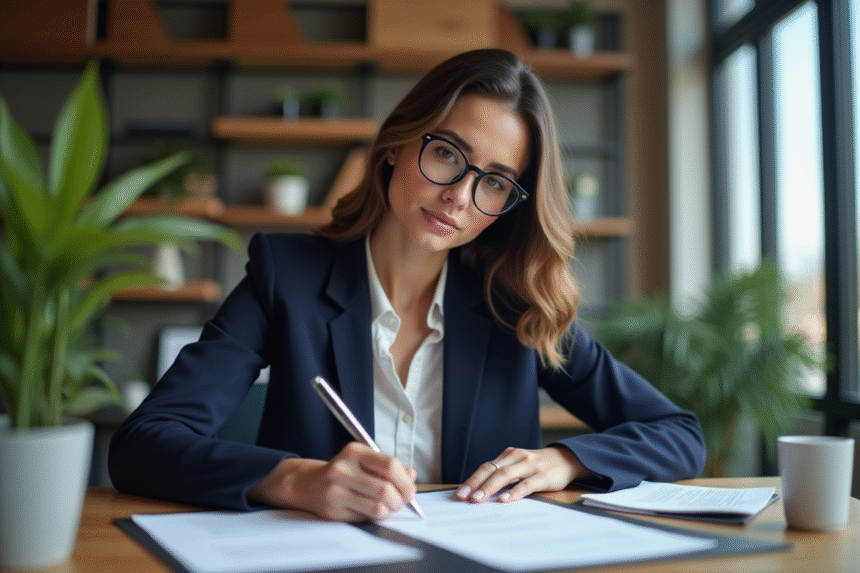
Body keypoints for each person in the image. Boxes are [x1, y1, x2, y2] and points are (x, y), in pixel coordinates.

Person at [108, 48, 706, 521]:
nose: (459, 196)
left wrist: (567, 460)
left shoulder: (516, 306)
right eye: (448, 154)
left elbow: (679, 435)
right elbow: (142, 445)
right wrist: (293, 480)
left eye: (495, 183)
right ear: (398, 143)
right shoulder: (284, 278)